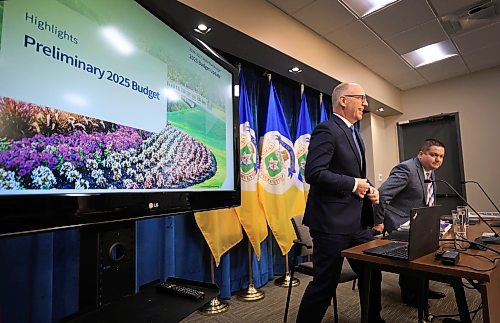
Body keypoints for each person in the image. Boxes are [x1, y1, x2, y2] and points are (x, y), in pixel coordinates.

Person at [297, 83, 384, 323]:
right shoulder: (327, 130)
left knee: (372, 273)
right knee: (324, 285)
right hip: (331, 225)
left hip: (358, 225)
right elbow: (314, 173)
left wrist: (369, 189)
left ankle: (373, 319)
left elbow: (353, 175)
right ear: (343, 101)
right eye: (362, 98)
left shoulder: (357, 135)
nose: (365, 104)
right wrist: (355, 185)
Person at [373, 138, 446, 307]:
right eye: (434, 155)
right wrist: (378, 222)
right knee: (413, 256)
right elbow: (382, 195)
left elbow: (427, 198)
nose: (438, 160)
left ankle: (422, 290)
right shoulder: (407, 169)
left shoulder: (430, 170)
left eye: (441, 156)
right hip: (398, 220)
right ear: (421, 154)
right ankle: (409, 295)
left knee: (426, 254)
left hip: (418, 221)